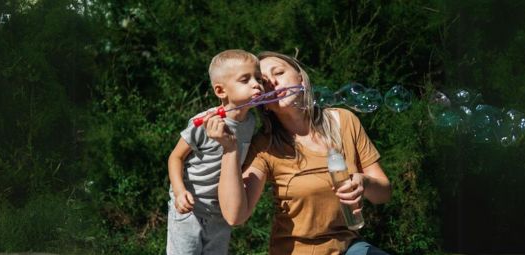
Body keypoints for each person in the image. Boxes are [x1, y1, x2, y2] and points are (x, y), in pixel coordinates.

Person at [206, 51, 392, 255]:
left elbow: (384, 194)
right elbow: (235, 216)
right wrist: (230, 150)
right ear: (264, 103)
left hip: (348, 247)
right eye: (264, 82)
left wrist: (364, 183)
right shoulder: (265, 145)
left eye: (279, 72)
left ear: (301, 79)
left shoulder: (344, 121)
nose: (273, 83)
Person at [166, 49, 264, 255]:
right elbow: (176, 157)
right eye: (245, 79)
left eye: (258, 78)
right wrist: (179, 191)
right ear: (221, 91)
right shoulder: (204, 122)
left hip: (220, 214)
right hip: (190, 210)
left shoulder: (251, 123)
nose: (256, 84)